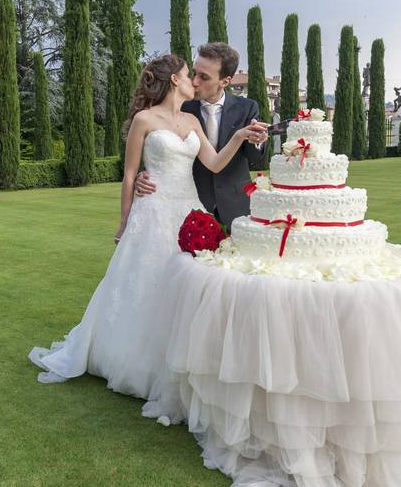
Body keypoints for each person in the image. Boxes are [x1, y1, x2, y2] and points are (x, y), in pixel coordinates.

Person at [28, 54, 268, 398]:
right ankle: (136, 360)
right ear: (175, 81)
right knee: (145, 281)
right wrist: (124, 222)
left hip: (188, 210)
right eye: (189, 75)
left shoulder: (191, 121)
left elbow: (214, 163)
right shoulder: (144, 119)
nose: (193, 82)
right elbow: (128, 176)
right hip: (153, 211)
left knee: (187, 283)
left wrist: (241, 136)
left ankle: (186, 358)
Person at [134, 43, 269, 227]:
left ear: (225, 81)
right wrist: (144, 174)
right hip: (189, 205)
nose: (195, 81)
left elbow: (255, 158)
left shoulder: (247, 107)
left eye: (204, 77)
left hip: (236, 206)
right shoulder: (180, 106)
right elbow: (156, 145)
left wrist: (257, 141)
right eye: (194, 73)